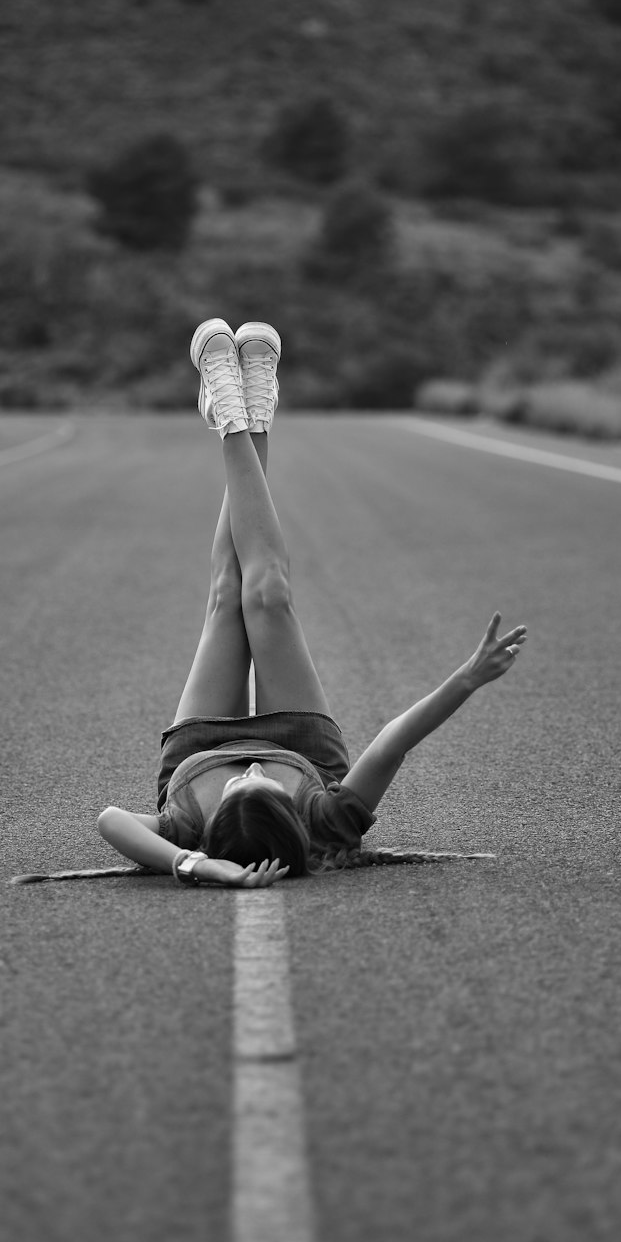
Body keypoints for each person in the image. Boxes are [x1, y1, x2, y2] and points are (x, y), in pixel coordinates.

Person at [97, 318, 527, 890]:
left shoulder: (185, 824)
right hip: (303, 744)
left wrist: (190, 864)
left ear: (214, 823)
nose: (251, 766)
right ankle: (238, 411)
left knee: (229, 592)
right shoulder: (327, 822)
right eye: (263, 783)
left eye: (238, 785)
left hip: (197, 749)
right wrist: (467, 679)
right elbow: (394, 740)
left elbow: (111, 821)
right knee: (269, 593)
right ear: (294, 814)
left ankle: (237, 407)